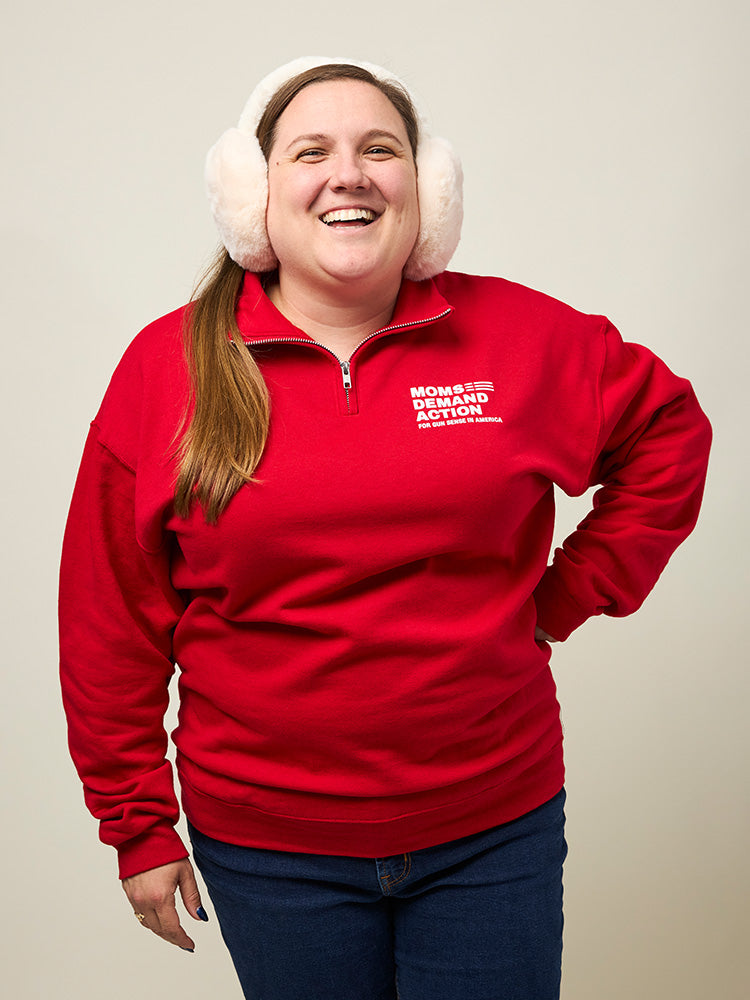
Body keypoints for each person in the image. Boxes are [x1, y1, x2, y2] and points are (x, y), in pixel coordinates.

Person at [59, 56, 711, 1000]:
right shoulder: (167, 370)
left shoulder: (520, 339)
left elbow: (667, 433)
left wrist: (565, 594)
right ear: (254, 193)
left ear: (426, 187)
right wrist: (137, 824)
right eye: (311, 151)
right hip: (269, 848)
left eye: (380, 149)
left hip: (494, 829)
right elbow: (108, 620)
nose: (349, 173)